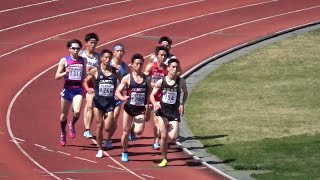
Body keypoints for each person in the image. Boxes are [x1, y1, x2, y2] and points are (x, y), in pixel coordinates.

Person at [150, 58, 188, 167]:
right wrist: (155, 104)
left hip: (174, 112)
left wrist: (182, 104)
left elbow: (185, 92)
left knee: (173, 137)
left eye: (177, 67)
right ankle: (164, 159)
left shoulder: (181, 81)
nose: (175, 69)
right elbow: (152, 95)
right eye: (173, 67)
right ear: (168, 68)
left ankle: (165, 147)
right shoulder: (161, 81)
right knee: (164, 135)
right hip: (162, 112)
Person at [83, 49, 120, 158]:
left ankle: (108, 137)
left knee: (108, 127)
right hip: (98, 102)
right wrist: (88, 88)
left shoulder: (115, 71)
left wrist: (119, 93)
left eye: (109, 58)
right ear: (102, 59)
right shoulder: (95, 70)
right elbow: (85, 80)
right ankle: (100, 148)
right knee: (99, 125)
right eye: (106, 57)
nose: (108, 60)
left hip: (110, 102)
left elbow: (122, 83)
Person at [115, 53, 150, 162]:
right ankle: (125, 151)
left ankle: (132, 129)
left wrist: (150, 103)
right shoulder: (127, 78)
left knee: (139, 131)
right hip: (129, 109)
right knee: (125, 132)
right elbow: (117, 91)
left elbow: (150, 92)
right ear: (132, 65)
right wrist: (122, 97)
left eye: (141, 64)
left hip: (140, 110)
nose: (139, 66)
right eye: (137, 64)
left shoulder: (146, 78)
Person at [55, 39, 86, 146]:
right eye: (73, 48)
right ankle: (63, 132)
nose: (76, 50)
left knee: (77, 111)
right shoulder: (64, 60)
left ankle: (71, 124)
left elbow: (84, 75)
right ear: (69, 49)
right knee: (63, 115)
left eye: (78, 48)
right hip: (68, 89)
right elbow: (56, 77)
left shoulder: (83, 60)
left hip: (78, 89)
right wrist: (65, 72)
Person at [105, 44, 130, 148]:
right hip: (105, 95)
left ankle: (108, 139)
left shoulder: (125, 67)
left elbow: (129, 81)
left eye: (121, 51)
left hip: (117, 96)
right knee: (106, 125)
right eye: (118, 51)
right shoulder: (108, 64)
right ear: (113, 52)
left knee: (114, 118)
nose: (120, 53)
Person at [144, 46, 168, 150]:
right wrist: (151, 83)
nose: (163, 57)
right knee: (146, 118)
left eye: (165, 55)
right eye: (161, 55)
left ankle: (156, 141)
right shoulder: (150, 66)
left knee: (156, 120)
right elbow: (143, 79)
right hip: (149, 96)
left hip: (159, 98)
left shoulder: (167, 69)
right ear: (156, 56)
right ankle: (132, 128)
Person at [81, 32, 100, 139]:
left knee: (90, 106)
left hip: (91, 84)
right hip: (81, 82)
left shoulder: (97, 56)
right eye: (91, 42)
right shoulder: (81, 54)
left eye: (95, 43)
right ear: (86, 43)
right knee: (79, 109)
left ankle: (87, 130)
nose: (93, 45)